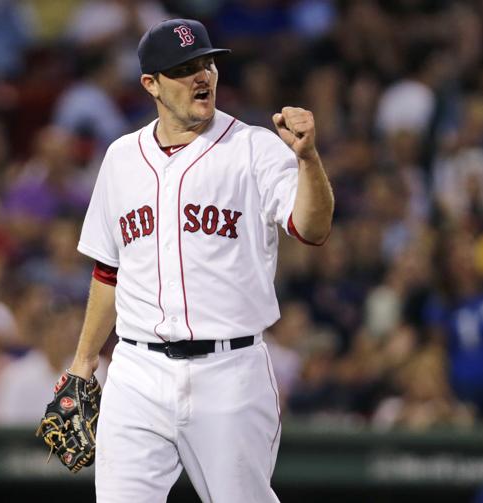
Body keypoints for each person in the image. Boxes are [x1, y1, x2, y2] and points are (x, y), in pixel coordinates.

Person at [65, 18, 333, 502]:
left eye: (206, 63)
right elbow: (108, 272)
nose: (202, 76)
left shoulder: (253, 148)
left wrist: (309, 160)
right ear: (151, 83)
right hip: (137, 371)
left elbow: (311, 228)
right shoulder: (121, 158)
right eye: (184, 68)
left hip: (229, 372)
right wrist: (83, 364)